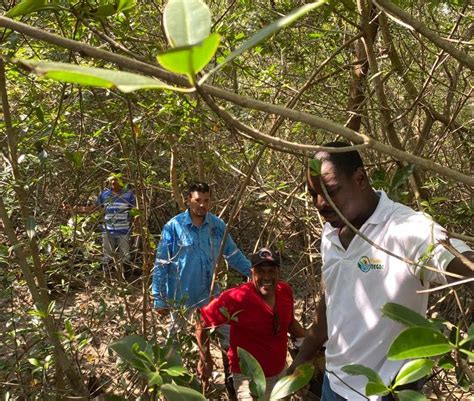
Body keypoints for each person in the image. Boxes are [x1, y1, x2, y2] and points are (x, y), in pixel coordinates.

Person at [289, 142, 473, 401]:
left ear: (360, 179)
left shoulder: (407, 229)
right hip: (335, 383)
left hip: (387, 392)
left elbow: (460, 263)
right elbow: (331, 298)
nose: (320, 204)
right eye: (313, 194)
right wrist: (301, 360)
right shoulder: (331, 231)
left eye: (330, 192)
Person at [196, 248, 306, 401]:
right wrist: (205, 358)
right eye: (261, 271)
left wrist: (313, 344)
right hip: (248, 378)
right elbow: (202, 323)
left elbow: (290, 323)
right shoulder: (236, 298)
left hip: (280, 373)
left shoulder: (285, 291)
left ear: (278, 272)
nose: (266, 277)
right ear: (252, 272)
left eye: (271, 271)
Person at [152, 182, 251, 314]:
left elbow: (233, 255)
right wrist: (159, 299)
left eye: (206, 200)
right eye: (197, 200)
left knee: (221, 332)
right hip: (181, 300)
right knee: (179, 334)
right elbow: (161, 263)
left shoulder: (217, 225)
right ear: (189, 200)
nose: (202, 205)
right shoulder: (173, 226)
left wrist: (254, 273)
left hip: (210, 297)